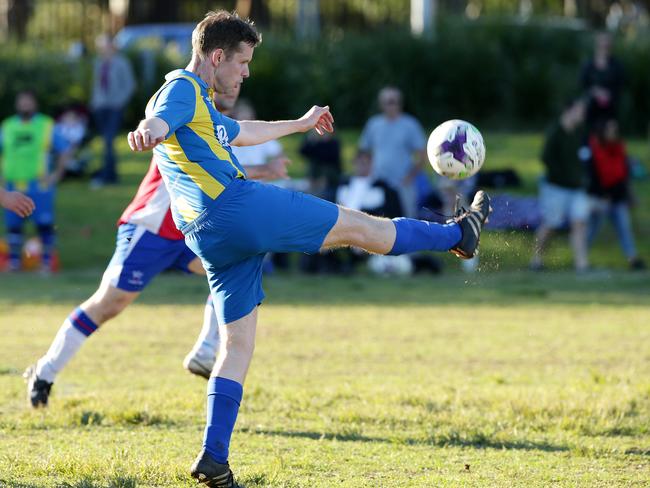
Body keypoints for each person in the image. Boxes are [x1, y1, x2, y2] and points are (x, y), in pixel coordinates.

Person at [126, 11, 491, 487]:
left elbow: (242, 132)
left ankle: (214, 458)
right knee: (364, 230)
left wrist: (299, 124)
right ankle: (458, 235)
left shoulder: (200, 103)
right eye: (242, 61)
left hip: (204, 230)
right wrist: (147, 130)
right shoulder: (181, 90)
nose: (246, 71)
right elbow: (157, 120)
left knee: (236, 345)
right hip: (236, 208)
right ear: (217, 56)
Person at [23, 87, 289, 408]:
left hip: (186, 231)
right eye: (237, 67)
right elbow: (210, 168)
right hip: (149, 228)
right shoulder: (184, 114)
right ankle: (45, 371)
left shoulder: (213, 126)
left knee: (235, 268)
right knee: (108, 304)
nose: (240, 79)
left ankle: (205, 352)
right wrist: (268, 172)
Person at [1, 91, 70, 273]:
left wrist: (57, 174)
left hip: (40, 186)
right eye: (21, 102)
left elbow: (64, 149)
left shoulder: (46, 125)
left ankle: (46, 263)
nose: (25, 105)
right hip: (12, 185)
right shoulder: (7, 126)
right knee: (13, 227)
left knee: (44, 226)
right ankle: (14, 263)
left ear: (35, 104)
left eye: (28, 101)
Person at [530, 98, 590, 272]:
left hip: (577, 188)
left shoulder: (580, 132)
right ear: (569, 111)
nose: (582, 115)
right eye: (579, 111)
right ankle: (536, 260)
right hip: (555, 187)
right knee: (551, 224)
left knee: (579, 222)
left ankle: (581, 264)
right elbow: (546, 158)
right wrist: (563, 175)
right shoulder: (555, 132)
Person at [358, 87, 428, 218]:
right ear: (381, 104)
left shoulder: (410, 124)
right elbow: (363, 152)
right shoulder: (374, 124)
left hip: (402, 184)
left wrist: (410, 177)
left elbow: (423, 154)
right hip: (378, 182)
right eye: (387, 102)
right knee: (377, 220)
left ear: (400, 103)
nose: (390, 105)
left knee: (407, 220)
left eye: (393, 101)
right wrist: (366, 173)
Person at [586, 118, 645, 270]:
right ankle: (581, 258)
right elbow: (594, 176)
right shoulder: (594, 150)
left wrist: (629, 195)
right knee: (593, 229)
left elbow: (623, 174)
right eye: (611, 130)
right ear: (603, 131)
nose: (614, 133)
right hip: (601, 197)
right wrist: (602, 195)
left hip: (618, 197)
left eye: (615, 130)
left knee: (624, 229)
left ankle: (633, 259)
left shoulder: (618, 148)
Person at [90, 34, 136, 187]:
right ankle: (109, 173)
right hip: (100, 106)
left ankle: (108, 176)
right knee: (105, 142)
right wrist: (94, 102)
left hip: (114, 107)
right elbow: (97, 85)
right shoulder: (98, 62)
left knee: (109, 141)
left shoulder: (122, 63)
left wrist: (119, 102)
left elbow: (130, 85)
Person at [581, 32, 625, 128]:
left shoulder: (617, 66)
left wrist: (608, 94)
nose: (604, 47)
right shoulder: (588, 65)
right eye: (602, 44)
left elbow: (620, 86)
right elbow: (582, 85)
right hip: (591, 108)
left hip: (610, 109)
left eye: (607, 45)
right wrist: (595, 92)